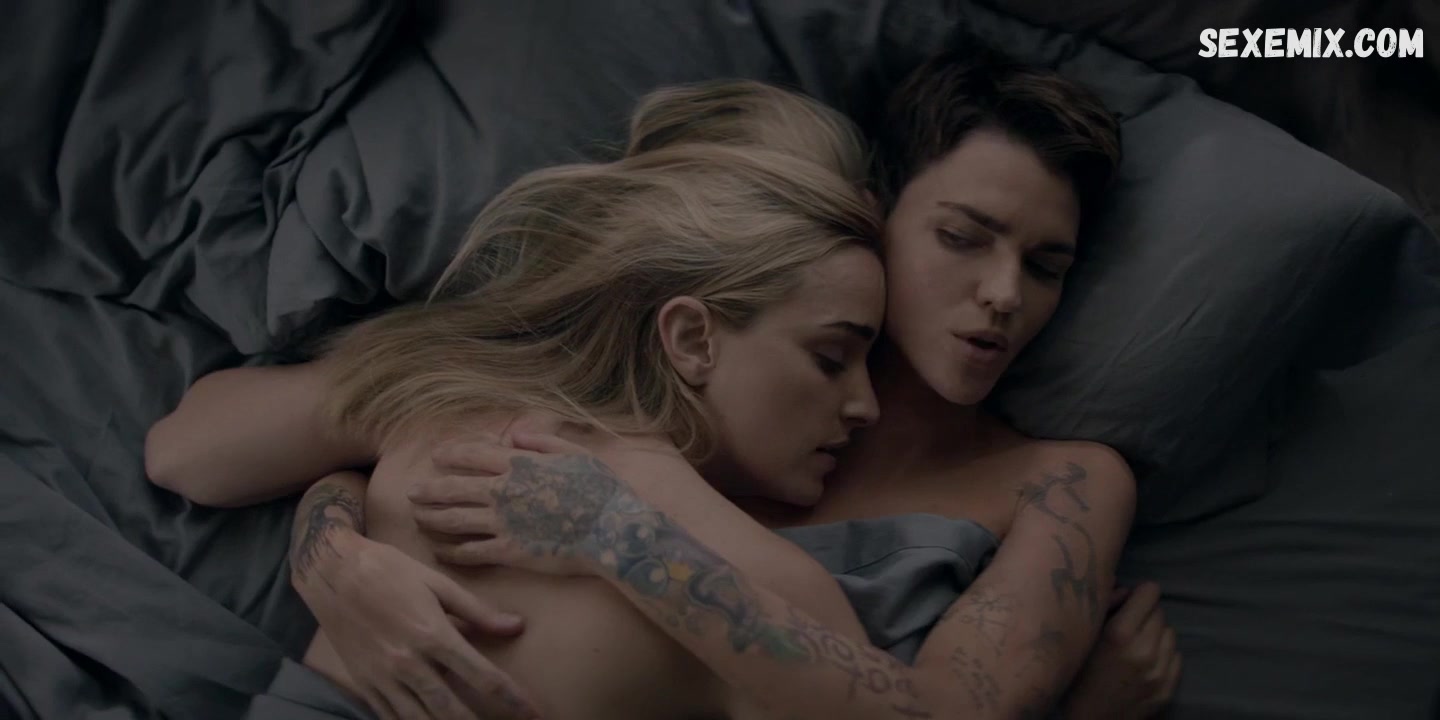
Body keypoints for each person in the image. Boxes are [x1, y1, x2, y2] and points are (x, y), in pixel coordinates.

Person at [149, 52, 1178, 720]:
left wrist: (616, 536)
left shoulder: (1060, 483)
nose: (1003, 295)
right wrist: (334, 556)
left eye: (1046, 267)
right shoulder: (649, 399)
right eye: (962, 236)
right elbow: (309, 434)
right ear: (873, 216)